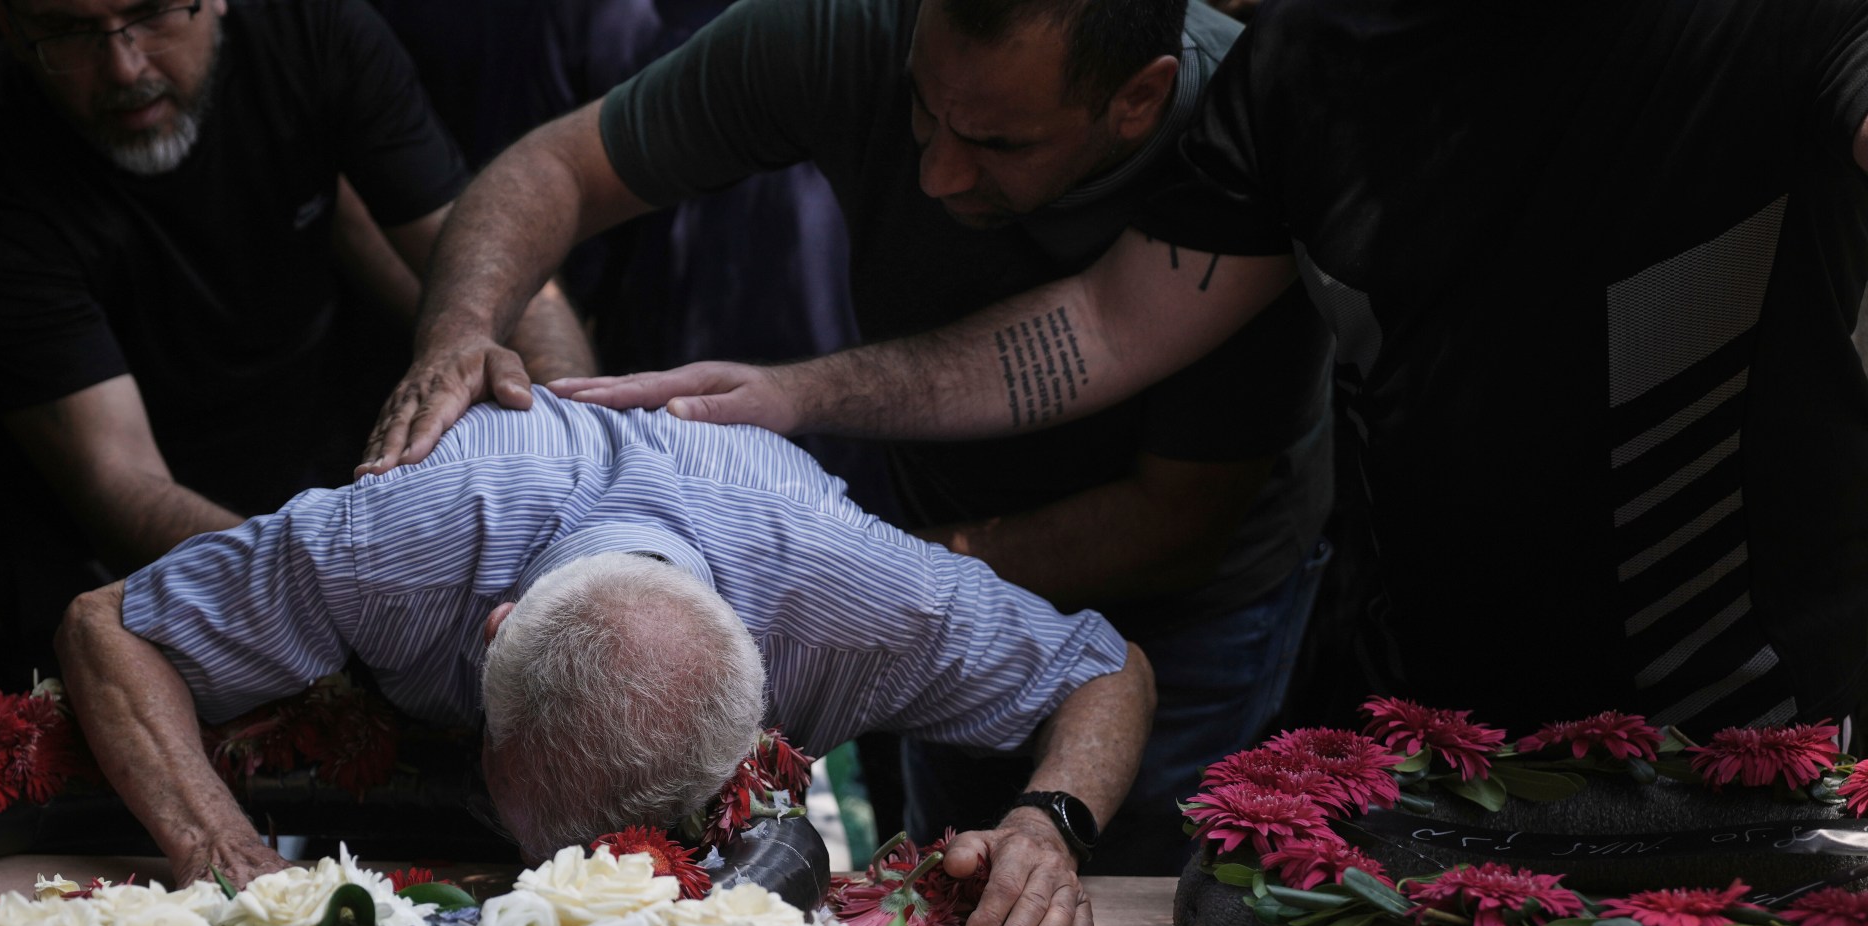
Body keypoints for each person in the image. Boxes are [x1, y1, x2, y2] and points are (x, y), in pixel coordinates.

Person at [554, 0, 1868, 736]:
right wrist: (798, 393)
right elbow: (1116, 325)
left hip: (1745, 739)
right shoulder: (1302, 65)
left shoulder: (1776, 30)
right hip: (1425, 732)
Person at [358, 0, 1333, 872]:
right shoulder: (841, 26)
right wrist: (458, 331)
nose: (938, 170)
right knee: (956, 860)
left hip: (1187, 593)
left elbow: (1177, 515)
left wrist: (886, 579)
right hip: (935, 524)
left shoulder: (1245, 133)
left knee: (1121, 907)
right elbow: (556, 167)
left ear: (1135, 101)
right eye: (921, 108)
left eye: (999, 142)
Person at [58, 393, 1156, 926]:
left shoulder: (859, 602)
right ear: (491, 637)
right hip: (403, 774)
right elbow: (107, 626)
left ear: (764, 703)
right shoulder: (404, 534)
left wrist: (1050, 821)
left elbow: (1105, 668)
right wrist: (224, 856)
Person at [0, 0, 595, 690]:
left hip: (307, 462)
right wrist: (353, 590)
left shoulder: (315, 30)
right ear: (6, 23)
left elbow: (503, 270)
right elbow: (116, 477)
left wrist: (586, 452)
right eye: (68, 31)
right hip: (89, 553)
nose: (124, 65)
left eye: (151, 14)